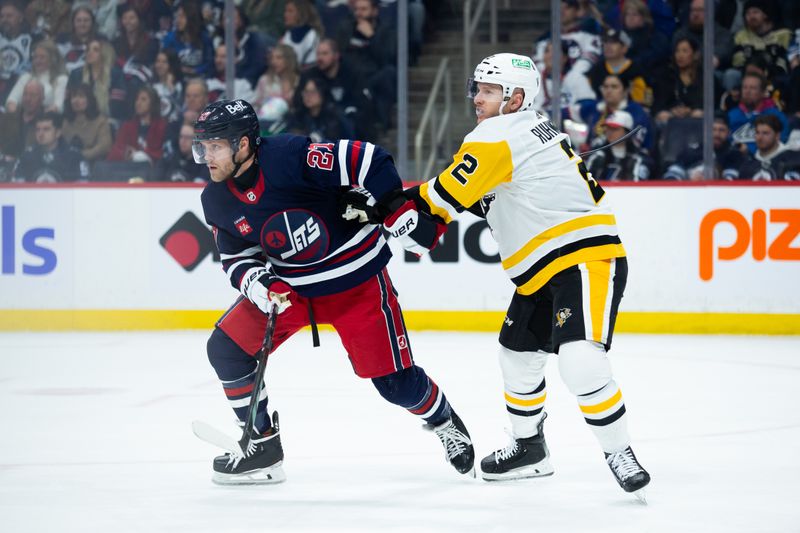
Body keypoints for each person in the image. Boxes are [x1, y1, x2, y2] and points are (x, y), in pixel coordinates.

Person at [355, 53, 651, 498]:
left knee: (581, 362)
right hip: (542, 271)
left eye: (488, 91)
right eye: (477, 88)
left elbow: (437, 205)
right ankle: (530, 449)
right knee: (516, 358)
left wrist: (389, 210)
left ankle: (619, 452)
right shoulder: (526, 131)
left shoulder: (496, 136)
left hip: (583, 259)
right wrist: (398, 208)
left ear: (515, 98)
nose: (477, 98)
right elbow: (464, 196)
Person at [193, 98, 475, 484]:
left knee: (396, 384)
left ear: (243, 144)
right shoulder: (216, 200)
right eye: (203, 147)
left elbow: (369, 160)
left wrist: (393, 207)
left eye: (215, 147)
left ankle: (443, 421)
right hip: (291, 292)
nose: (206, 156)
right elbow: (237, 259)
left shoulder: (292, 157)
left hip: (355, 285)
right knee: (226, 350)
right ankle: (262, 445)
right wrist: (263, 284)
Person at [663, 112, 747, 180]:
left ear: (728, 132)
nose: (717, 134)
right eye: (713, 129)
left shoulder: (733, 154)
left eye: (721, 130)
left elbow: (730, 182)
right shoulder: (692, 151)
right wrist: (689, 179)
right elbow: (672, 175)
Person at [13, 111, 89, 182]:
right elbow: (17, 186)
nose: (40, 134)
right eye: (38, 129)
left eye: (46, 129)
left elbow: (82, 187)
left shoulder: (74, 157)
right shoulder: (26, 156)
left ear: (58, 132)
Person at [585, 110, 655, 181]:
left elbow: (638, 187)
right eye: (607, 128)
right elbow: (585, 181)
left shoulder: (638, 158)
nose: (609, 132)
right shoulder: (597, 155)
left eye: (614, 129)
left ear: (627, 132)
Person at [4, 38, 68, 113]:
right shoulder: (25, 77)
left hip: (47, 119)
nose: (37, 61)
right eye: (35, 57)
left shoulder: (61, 79)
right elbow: (11, 100)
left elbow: (58, 106)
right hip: (22, 119)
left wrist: (38, 118)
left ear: (52, 59)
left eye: (42, 57)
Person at [107, 85, 166, 164]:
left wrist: (140, 154)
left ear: (152, 104)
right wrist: (125, 152)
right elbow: (114, 152)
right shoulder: (127, 126)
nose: (138, 103)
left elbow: (161, 153)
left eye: (143, 99)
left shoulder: (161, 126)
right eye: (137, 99)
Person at [61, 82, 113, 164]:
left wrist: (81, 156)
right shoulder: (66, 122)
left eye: (81, 96)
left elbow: (104, 147)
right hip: (67, 165)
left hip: (94, 165)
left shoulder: (101, 121)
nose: (76, 100)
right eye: (73, 96)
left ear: (89, 100)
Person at [739, 114, 800, 180]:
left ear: (777, 136)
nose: (760, 137)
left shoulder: (794, 160)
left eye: (765, 133)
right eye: (757, 133)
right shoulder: (748, 165)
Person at [0, 0, 32, 103]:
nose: (5, 20)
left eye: (9, 16)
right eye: (2, 16)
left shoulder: (33, 39)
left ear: (20, 18)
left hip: (19, 85)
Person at [280, 0, 322, 69]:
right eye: (285, 11)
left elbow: (311, 65)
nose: (285, 15)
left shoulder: (312, 35)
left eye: (290, 11)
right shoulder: (288, 34)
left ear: (301, 13)